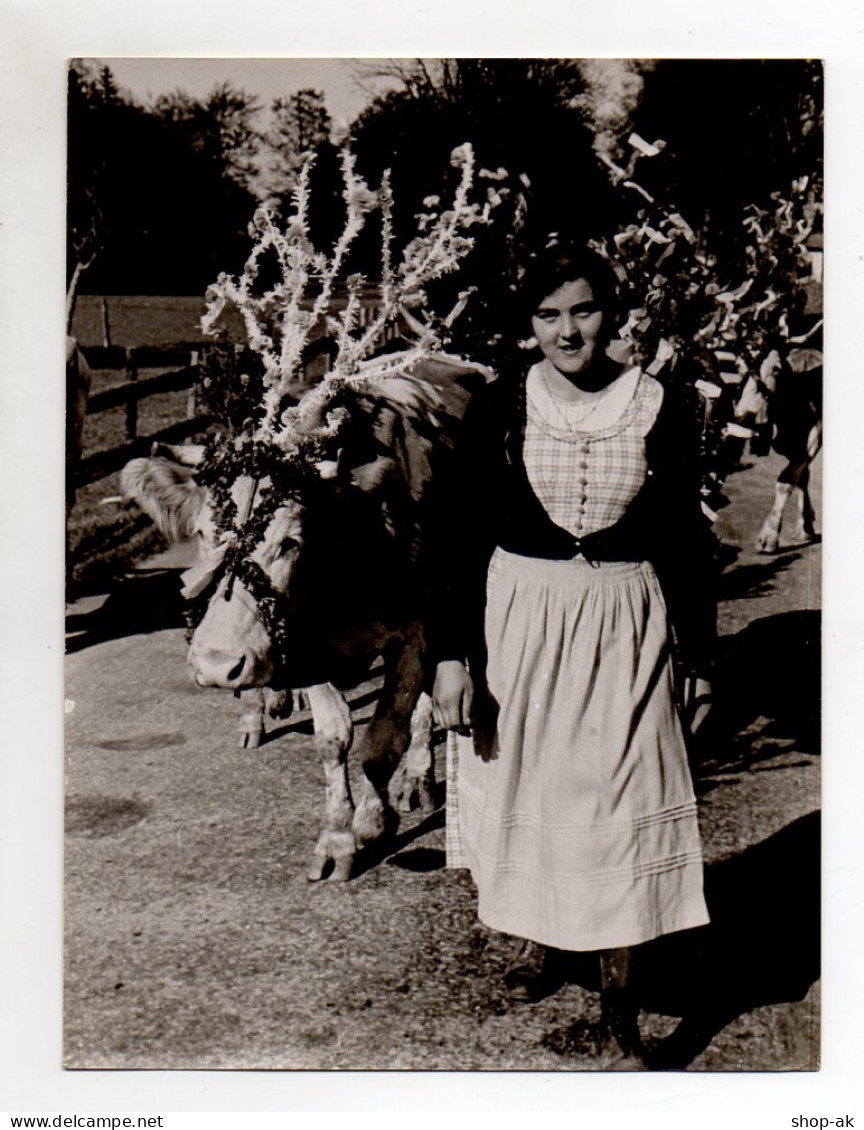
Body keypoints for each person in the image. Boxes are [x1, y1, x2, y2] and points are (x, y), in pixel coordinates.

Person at [428, 241, 715, 1068]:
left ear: (611, 313)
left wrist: (702, 655)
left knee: (616, 806)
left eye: (582, 309)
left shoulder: (662, 403)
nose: (567, 330)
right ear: (529, 324)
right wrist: (452, 654)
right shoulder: (501, 404)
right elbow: (456, 533)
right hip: (520, 617)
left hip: (626, 619)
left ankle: (621, 1025)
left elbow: (686, 540)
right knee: (539, 790)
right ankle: (547, 943)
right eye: (548, 314)